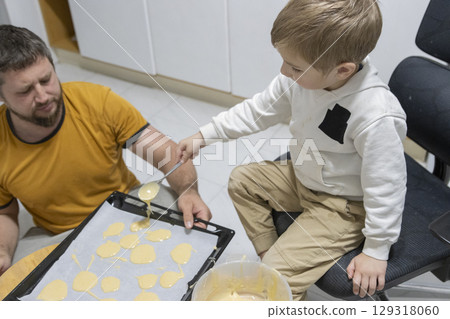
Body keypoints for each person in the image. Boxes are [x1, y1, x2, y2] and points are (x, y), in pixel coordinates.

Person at [177, 0, 407, 300]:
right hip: (303, 176)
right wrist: (204, 136)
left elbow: (386, 187)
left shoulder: (376, 115)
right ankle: (273, 258)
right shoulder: (301, 79)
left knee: (272, 282)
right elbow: (258, 110)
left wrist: (377, 249)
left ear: (343, 71)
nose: (284, 71)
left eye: (295, 66)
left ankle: (280, 278)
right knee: (242, 181)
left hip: (343, 206)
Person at [0, 25, 211, 276]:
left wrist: (189, 190)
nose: (43, 96)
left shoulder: (98, 101)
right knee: (14, 283)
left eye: (46, 80)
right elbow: (6, 213)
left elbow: (167, 153)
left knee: (182, 213)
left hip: (125, 208)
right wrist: (3, 250)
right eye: (25, 91)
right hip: (58, 234)